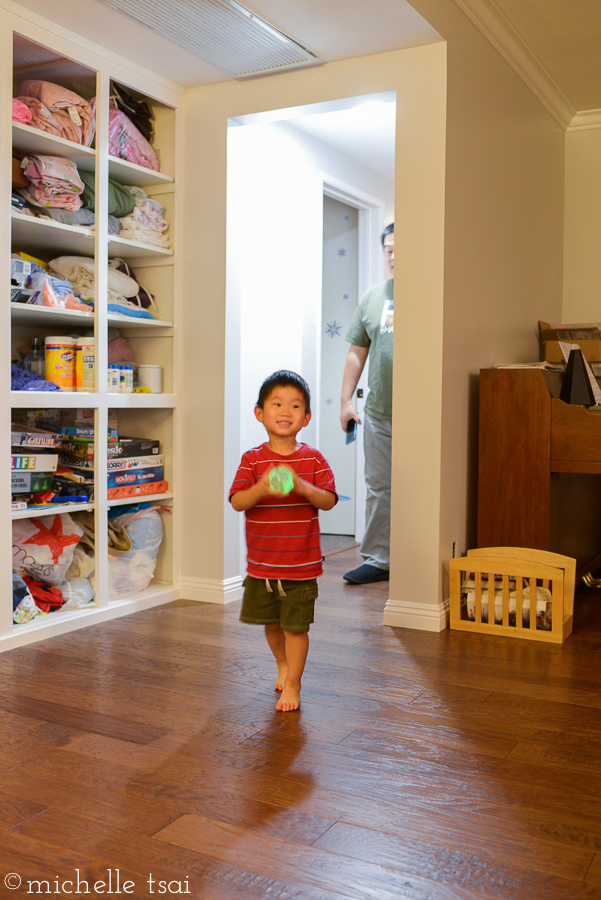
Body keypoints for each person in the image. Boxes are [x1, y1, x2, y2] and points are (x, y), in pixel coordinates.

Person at [230, 370, 338, 712]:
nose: (285, 411)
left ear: (305, 418)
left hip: (301, 567)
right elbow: (237, 502)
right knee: (272, 626)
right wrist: (261, 488)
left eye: (295, 405)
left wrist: (303, 487)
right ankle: (282, 664)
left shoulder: (314, 459)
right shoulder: (252, 460)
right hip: (262, 567)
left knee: (295, 628)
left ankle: (294, 684)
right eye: (277, 403)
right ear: (260, 412)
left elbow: (329, 500)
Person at [340, 222, 394, 584]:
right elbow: (357, 353)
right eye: (388, 248)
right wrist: (345, 401)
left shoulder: (433, 290)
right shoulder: (373, 297)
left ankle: (420, 559)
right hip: (378, 413)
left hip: (424, 415)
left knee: (423, 486)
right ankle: (378, 559)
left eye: (401, 247)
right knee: (378, 487)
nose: (394, 255)